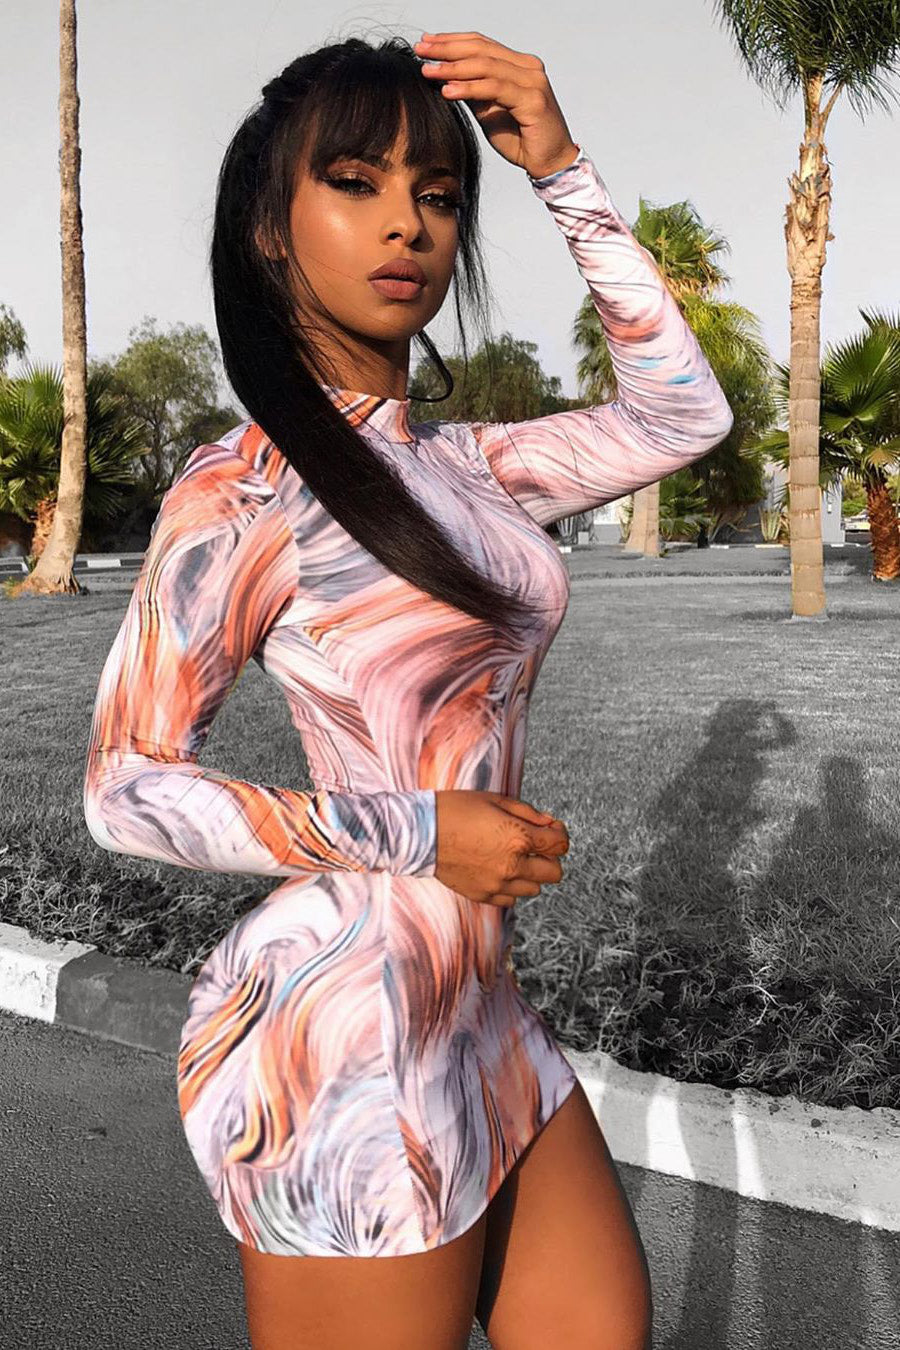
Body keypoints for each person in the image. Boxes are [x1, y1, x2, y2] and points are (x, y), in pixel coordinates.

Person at [82, 28, 733, 1350]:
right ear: (269, 229)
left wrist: (557, 166)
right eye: (355, 182)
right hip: (350, 1040)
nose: (408, 224)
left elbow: (683, 416)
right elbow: (125, 788)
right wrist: (427, 830)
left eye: (436, 193)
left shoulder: (465, 465)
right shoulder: (246, 491)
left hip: (479, 1011)